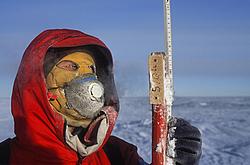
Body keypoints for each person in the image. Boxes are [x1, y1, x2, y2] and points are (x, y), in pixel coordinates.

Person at [0, 29, 201, 165]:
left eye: (92, 69)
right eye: (71, 66)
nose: (88, 77)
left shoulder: (116, 154)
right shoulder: (6, 157)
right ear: (38, 82)